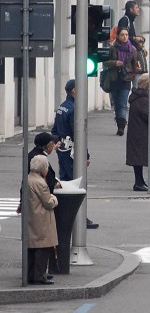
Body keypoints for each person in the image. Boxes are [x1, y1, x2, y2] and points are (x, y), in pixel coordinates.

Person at [51, 79, 97, 229]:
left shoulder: (62, 107)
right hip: (72, 151)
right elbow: (79, 135)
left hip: (63, 149)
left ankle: (63, 215)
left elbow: (54, 131)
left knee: (65, 182)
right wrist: (86, 155)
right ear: (74, 91)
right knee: (76, 184)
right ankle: (78, 217)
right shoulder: (75, 108)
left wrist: (58, 143)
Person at [126, 74, 150, 192]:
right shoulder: (143, 100)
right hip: (140, 133)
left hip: (137, 132)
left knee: (138, 159)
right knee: (139, 158)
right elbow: (149, 116)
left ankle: (140, 181)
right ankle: (139, 182)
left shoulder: (138, 97)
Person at [27, 154, 58, 285]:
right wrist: (54, 198)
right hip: (41, 218)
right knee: (43, 247)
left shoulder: (29, 178)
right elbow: (48, 203)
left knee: (32, 248)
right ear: (43, 168)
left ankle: (31, 274)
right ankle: (39, 275)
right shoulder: (41, 183)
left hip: (32, 216)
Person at [103, 27, 140, 136]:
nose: (125, 37)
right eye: (122, 35)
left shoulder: (132, 49)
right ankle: (119, 121)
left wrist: (136, 69)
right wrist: (115, 63)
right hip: (114, 79)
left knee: (123, 103)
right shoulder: (112, 48)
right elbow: (105, 62)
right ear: (118, 36)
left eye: (126, 35)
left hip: (126, 79)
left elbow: (135, 64)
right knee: (117, 103)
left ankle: (121, 126)